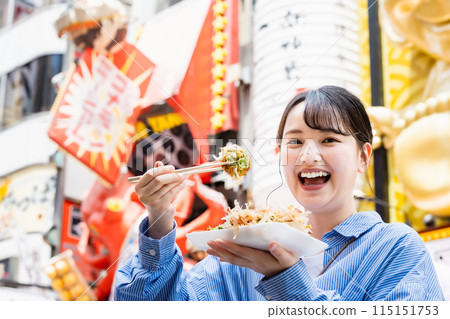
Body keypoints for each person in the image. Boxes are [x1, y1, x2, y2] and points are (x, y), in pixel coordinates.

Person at [114, 86, 444, 301]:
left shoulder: (396, 247)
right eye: (295, 142)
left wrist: (286, 279)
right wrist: (158, 220)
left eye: (329, 139)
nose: (308, 156)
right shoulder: (241, 254)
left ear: (363, 156)